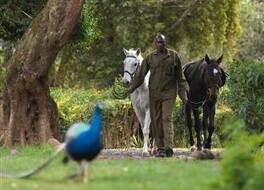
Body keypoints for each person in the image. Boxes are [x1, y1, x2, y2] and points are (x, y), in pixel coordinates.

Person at [127, 33, 188, 157]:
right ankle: (160, 148)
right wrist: (131, 88)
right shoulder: (150, 58)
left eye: (162, 42)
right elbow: (140, 76)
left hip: (169, 93)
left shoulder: (174, 57)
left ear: (165, 43)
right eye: (158, 42)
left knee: (166, 118)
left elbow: (181, 78)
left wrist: (184, 95)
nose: (160, 44)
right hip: (154, 94)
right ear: (155, 44)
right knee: (156, 120)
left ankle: (168, 147)